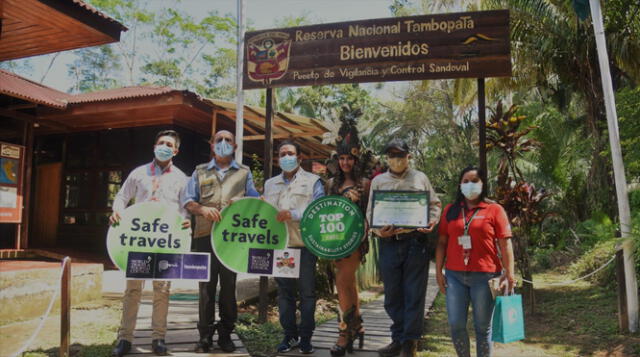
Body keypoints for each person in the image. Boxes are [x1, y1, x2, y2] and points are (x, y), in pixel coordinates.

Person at [110, 130, 190, 357]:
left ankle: (158, 338)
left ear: (176, 150)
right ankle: (125, 339)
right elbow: (121, 197)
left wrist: (186, 222)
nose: (164, 146)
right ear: (154, 146)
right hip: (140, 241)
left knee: (162, 290)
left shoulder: (182, 178)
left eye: (169, 144)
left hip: (165, 243)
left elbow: (186, 209)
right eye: (161, 143)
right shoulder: (139, 173)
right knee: (133, 289)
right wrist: (117, 211)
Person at [183, 130, 260, 353]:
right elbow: (188, 201)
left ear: (235, 146)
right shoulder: (199, 171)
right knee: (205, 289)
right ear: (212, 144)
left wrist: (243, 200)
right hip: (204, 237)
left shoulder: (244, 173)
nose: (223, 143)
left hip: (232, 240)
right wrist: (202, 209)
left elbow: (255, 198)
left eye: (228, 140)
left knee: (228, 288)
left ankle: (226, 335)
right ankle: (205, 336)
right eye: (219, 140)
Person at [366, 138, 442, 357]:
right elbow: (371, 213)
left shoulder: (420, 178)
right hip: (389, 244)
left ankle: (409, 342)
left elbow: (434, 204)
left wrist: (431, 221)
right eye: (392, 155)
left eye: (400, 155)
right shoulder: (379, 182)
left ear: (408, 156)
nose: (396, 159)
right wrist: (380, 231)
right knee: (392, 296)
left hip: (414, 242)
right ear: (387, 158)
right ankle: (398, 337)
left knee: (414, 294)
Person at [435, 166, 516, 357]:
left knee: (482, 328)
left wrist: (509, 274)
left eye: (475, 181)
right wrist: (439, 272)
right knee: (456, 325)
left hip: (485, 277)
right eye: (465, 181)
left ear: (482, 184)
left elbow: (506, 244)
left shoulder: (494, 209)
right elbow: (441, 242)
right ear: (459, 185)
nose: (470, 185)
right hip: (454, 277)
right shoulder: (451, 210)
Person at [263, 140, 325, 354]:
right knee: (285, 294)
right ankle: (289, 336)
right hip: (282, 247)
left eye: (290, 153)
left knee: (307, 294)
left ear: (299, 158)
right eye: (282, 154)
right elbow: (265, 213)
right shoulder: (270, 184)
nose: (286, 157)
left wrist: (293, 214)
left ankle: (306, 338)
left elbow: (319, 211)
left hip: (305, 245)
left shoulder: (313, 181)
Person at [326, 120, 371, 356]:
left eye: (349, 158)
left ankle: (343, 333)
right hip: (334, 239)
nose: (345, 163)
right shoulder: (330, 183)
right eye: (341, 158)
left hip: (355, 240)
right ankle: (357, 325)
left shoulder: (365, 184)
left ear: (356, 159)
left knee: (342, 282)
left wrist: (356, 202)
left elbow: (371, 214)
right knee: (348, 283)